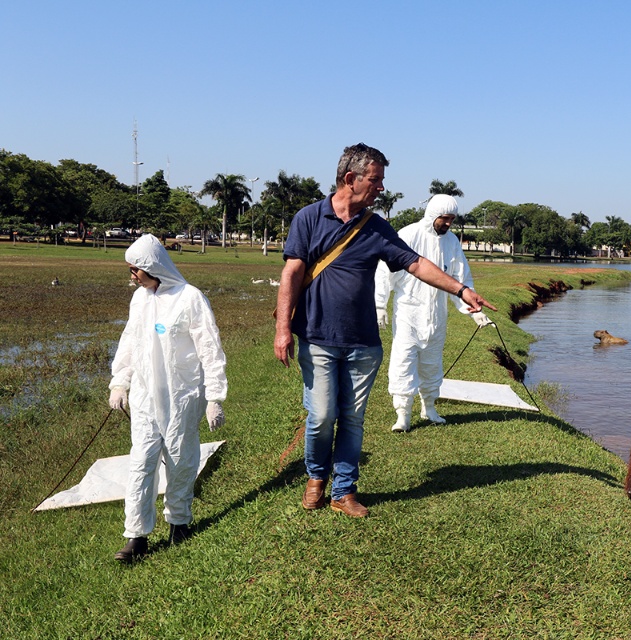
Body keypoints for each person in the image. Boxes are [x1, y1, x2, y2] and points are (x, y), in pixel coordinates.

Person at [274, 143, 496, 518]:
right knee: (322, 415)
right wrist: (283, 329)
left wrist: (461, 290)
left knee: (353, 418)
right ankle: (316, 477)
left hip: (363, 343)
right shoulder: (309, 218)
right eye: (375, 180)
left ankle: (343, 490)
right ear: (351, 178)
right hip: (317, 337)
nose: (381, 188)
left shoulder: (376, 227)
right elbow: (292, 273)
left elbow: (416, 263)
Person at [108, 234, 227, 563]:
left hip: (182, 395)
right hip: (145, 396)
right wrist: (120, 382)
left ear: (152, 266)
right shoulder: (140, 300)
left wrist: (215, 396)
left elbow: (210, 348)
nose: (133, 276)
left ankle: (179, 522)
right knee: (141, 461)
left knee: (180, 459)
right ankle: (137, 536)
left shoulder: (190, 298)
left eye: (135, 270)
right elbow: (130, 341)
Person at [375, 195, 493, 432]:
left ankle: (429, 407)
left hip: (437, 313)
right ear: (432, 215)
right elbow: (384, 271)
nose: (448, 223)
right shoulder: (408, 234)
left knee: (432, 363)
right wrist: (379, 305)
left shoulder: (451, 242)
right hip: (409, 310)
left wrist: (473, 311)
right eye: (444, 218)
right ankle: (403, 414)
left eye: (452, 219)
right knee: (403, 360)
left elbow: (460, 278)